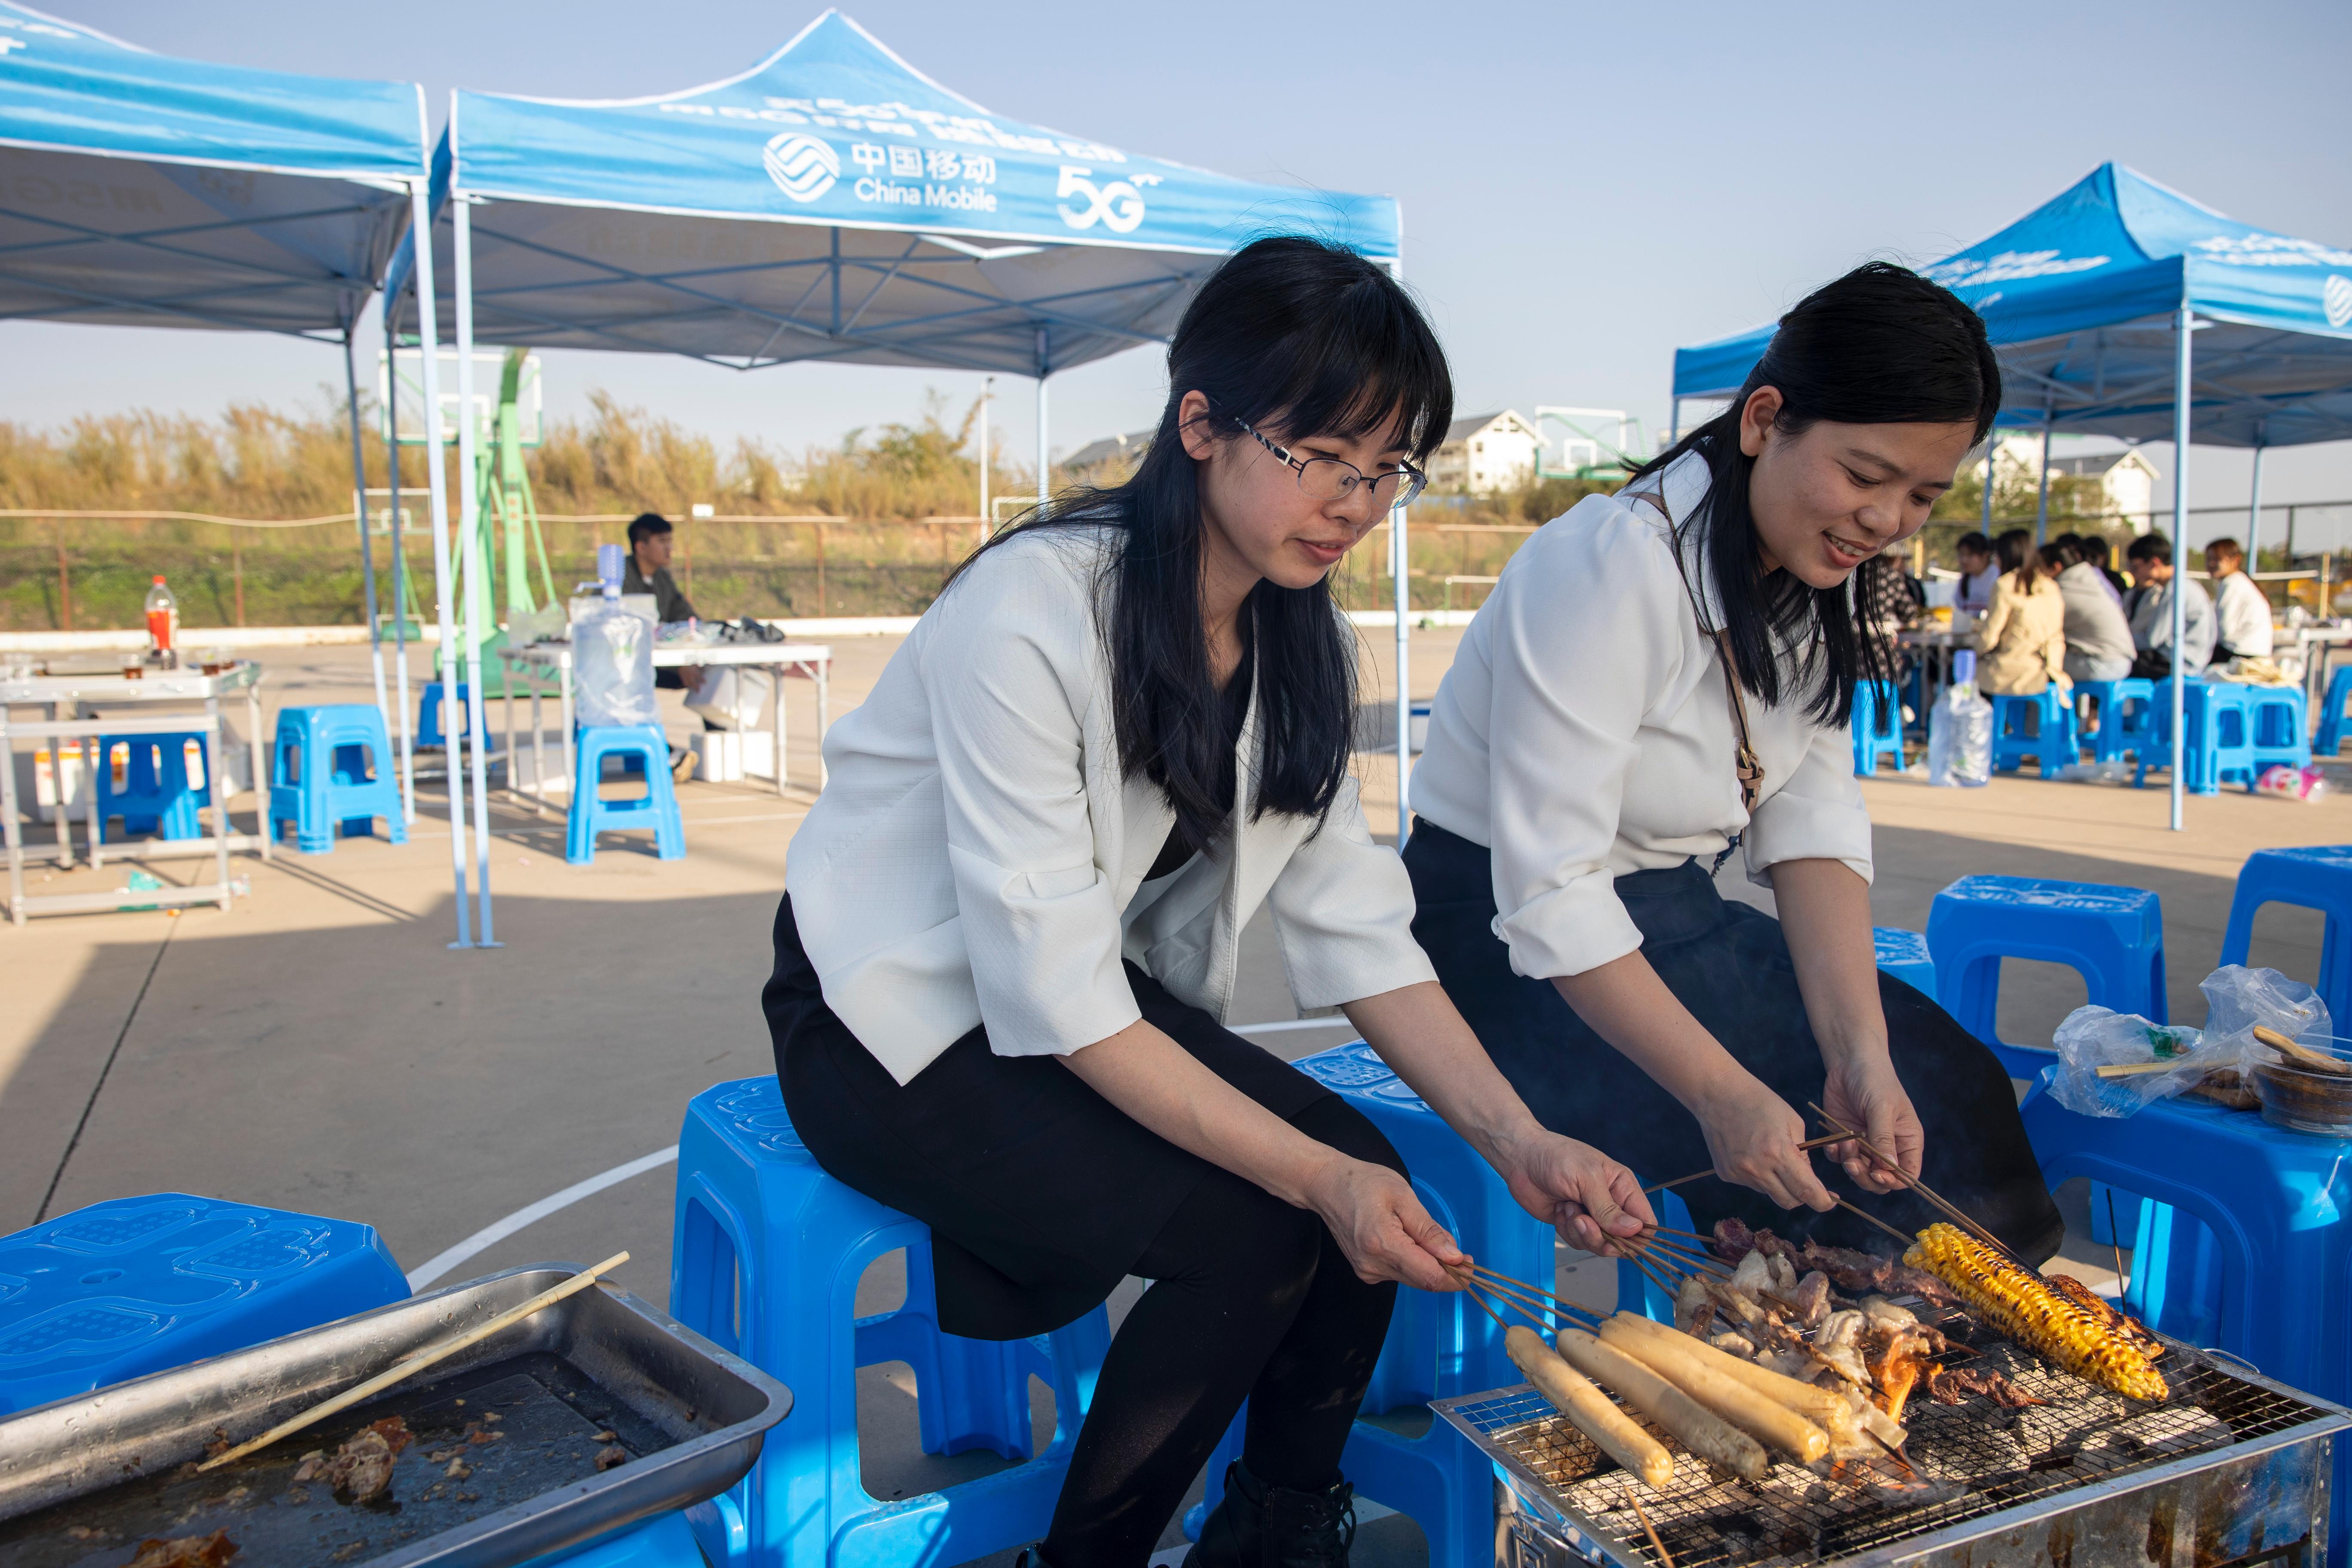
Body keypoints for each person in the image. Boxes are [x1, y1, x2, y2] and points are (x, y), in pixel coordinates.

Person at [769, 237, 1651, 1568]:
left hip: (1079, 994)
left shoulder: (1295, 635)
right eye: (1323, 456)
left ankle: (1278, 1531)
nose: (1355, 503)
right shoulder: (1031, 609)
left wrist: (1519, 1141)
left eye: (1387, 470)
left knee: (1368, 1173)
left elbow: (1358, 924)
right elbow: (1057, 995)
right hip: (888, 1018)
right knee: (1263, 1229)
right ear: (1201, 425)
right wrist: (1318, 1180)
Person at [1402, 261, 2062, 1261]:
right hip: (1499, 938)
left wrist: (1860, 1056)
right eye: (1864, 476)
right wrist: (1719, 1094)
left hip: (1665, 915)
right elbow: (1550, 894)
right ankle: (1825, 1340)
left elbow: (1812, 824)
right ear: (1763, 421)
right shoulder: (1607, 564)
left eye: (1923, 495)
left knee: (1944, 1084)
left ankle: (1943, 1338)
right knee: (1793, 1163)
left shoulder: (1811, 579)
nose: (1887, 520)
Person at [622, 511, 709, 782]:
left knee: (712, 671)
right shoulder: (620, 580)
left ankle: (719, 743)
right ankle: (665, 755)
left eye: (670, 541)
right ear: (641, 547)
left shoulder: (663, 578)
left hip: (662, 663)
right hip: (629, 669)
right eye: (662, 541)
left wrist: (691, 654)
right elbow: (628, 638)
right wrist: (677, 665)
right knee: (634, 687)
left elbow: (686, 618)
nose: (670, 548)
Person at [1973, 532, 2069, 696]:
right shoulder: (2051, 586)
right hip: (2050, 670)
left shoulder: (2005, 585)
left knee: (1964, 674)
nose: (1995, 562)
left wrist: (1974, 652)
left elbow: (1989, 638)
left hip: (2013, 671)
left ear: (2005, 556)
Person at [2124, 533, 2215, 680]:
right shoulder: (2181, 585)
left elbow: (2152, 640)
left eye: (2135, 567)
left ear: (2154, 563)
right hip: (2186, 659)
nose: (2132, 572)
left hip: (2180, 663)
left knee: (2116, 663)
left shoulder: (2175, 590)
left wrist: (2119, 640)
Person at [2049, 537, 2136, 683]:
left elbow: (2041, 628)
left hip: (2104, 664)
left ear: (2055, 567)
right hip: (2120, 661)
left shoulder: (2067, 592)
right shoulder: (2091, 582)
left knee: (2033, 663)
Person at [2205, 537, 2274, 662]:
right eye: (2209, 559)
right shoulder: (2240, 581)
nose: (2211, 564)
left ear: (2236, 560)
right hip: (2258, 651)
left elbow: (2224, 629)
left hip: (2240, 652)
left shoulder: (2231, 583)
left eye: (2217, 559)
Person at [1953, 529, 1999, 617]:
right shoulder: (1965, 580)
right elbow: (1960, 608)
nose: (1964, 560)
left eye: (1970, 555)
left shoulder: (1997, 577)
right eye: (1961, 555)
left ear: (1985, 556)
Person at [2079, 532, 2129, 601]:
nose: (2089, 560)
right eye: (2084, 557)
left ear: (2104, 556)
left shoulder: (2115, 579)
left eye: (2093, 556)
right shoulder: (2079, 579)